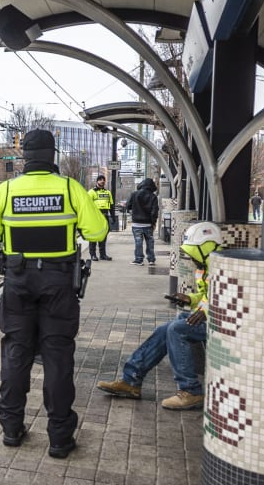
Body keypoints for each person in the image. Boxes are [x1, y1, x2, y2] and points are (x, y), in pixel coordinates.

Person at [0, 129, 108, 459]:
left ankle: (11, 428)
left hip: (18, 282)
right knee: (58, 356)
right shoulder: (69, 188)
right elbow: (97, 231)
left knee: (16, 353)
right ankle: (60, 438)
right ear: (52, 155)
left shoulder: (6, 190)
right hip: (58, 283)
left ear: (25, 158)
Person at [96, 222, 223, 410]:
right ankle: (131, 380)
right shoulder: (203, 268)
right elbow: (206, 297)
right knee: (165, 329)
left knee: (177, 329)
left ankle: (190, 390)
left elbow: (224, 299)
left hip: (221, 322)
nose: (191, 258)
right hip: (208, 317)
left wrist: (205, 311)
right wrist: (189, 299)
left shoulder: (222, 269)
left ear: (205, 249)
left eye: (193, 253)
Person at [125, 177, 159, 266]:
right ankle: (151, 259)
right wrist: (153, 222)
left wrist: (134, 211)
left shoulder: (134, 194)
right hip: (148, 224)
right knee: (150, 242)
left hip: (136, 224)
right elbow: (154, 211)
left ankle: (139, 260)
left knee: (138, 242)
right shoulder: (153, 197)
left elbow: (128, 206)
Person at [87, 175, 113, 261]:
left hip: (105, 216)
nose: (102, 181)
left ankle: (103, 255)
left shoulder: (108, 192)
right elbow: (87, 205)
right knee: (94, 236)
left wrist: (113, 217)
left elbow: (111, 205)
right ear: (97, 181)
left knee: (103, 236)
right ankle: (93, 254)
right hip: (95, 216)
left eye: (103, 180)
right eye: (100, 180)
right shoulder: (91, 192)